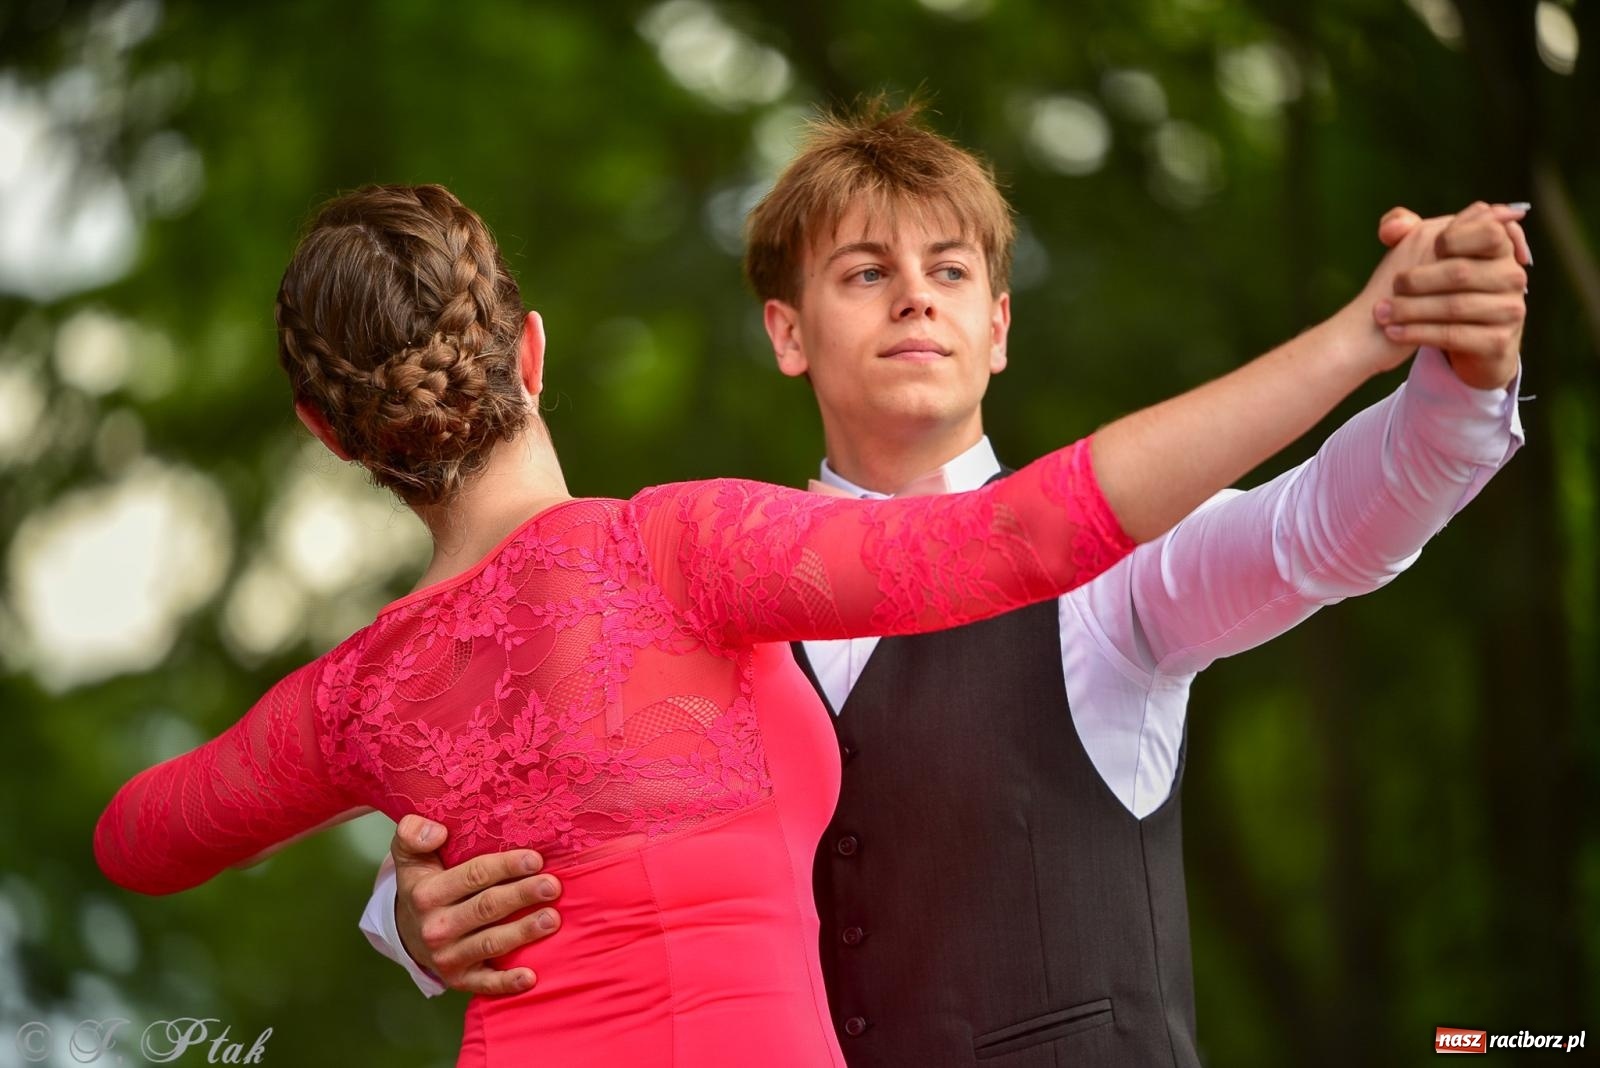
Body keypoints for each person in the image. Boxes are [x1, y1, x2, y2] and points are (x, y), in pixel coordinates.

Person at [92, 178, 1452, 1067]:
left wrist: (405, 884)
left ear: (329, 437)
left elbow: (137, 838)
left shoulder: (358, 697)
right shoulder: (677, 549)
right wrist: (1355, 338)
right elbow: (1032, 532)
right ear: (534, 352)